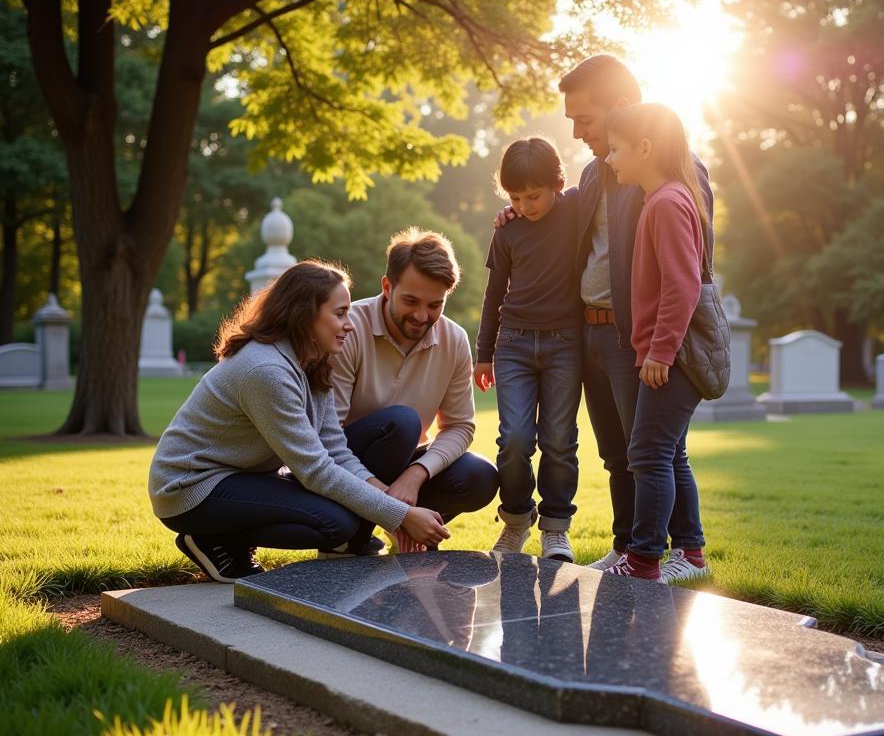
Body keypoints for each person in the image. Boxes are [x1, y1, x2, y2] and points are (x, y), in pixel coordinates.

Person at [148, 261, 449, 582]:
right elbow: (315, 470)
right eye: (340, 313)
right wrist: (400, 516)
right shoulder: (266, 371)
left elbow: (336, 450)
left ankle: (223, 535)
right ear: (304, 313)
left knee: (345, 518)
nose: (349, 324)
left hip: (242, 477)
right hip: (192, 488)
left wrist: (386, 500)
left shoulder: (313, 361)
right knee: (337, 524)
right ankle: (213, 538)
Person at [560, 55, 713, 580]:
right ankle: (628, 547)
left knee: (653, 450)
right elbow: (569, 229)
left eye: (585, 119)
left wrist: (658, 345)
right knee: (618, 454)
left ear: (624, 112)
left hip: (639, 336)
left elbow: (689, 268)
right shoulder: (591, 173)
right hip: (592, 331)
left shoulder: (671, 177)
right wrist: (517, 211)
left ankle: (681, 550)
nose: (577, 132)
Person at [330, 228, 499, 553]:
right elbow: (328, 438)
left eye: (435, 304)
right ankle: (353, 536)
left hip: (405, 463)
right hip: (347, 462)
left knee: (481, 477)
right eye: (411, 301)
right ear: (387, 287)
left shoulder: (455, 339)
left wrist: (416, 475)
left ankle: (410, 529)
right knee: (403, 423)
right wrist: (396, 511)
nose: (422, 316)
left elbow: (460, 426)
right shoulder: (348, 328)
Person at [601, 102, 709, 581]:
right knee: (667, 453)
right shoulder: (664, 198)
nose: (609, 159)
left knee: (646, 454)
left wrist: (659, 352)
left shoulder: (666, 202)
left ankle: (644, 562)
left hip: (671, 357)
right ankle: (690, 555)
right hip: (665, 353)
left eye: (616, 148)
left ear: (645, 147)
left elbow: (682, 285)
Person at [474, 137, 582, 561]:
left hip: (565, 344)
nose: (524, 205)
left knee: (559, 439)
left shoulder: (576, 209)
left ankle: (556, 528)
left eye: (533, 196)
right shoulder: (507, 231)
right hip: (514, 344)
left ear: (557, 184)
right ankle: (517, 519)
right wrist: (484, 353)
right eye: (514, 197)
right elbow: (492, 294)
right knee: (514, 438)